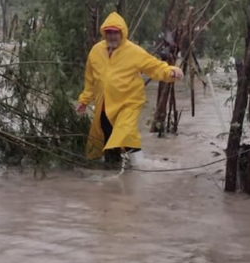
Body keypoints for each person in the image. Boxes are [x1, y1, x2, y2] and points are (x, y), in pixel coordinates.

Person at [76, 12, 183, 167]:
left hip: (128, 102)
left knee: (125, 133)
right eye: (109, 32)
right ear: (104, 33)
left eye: (115, 32)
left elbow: (153, 66)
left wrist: (171, 71)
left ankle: (141, 168)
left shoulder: (133, 51)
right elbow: (90, 80)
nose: (112, 36)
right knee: (107, 131)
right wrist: (84, 101)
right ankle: (112, 167)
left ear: (122, 33)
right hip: (104, 104)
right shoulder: (96, 51)